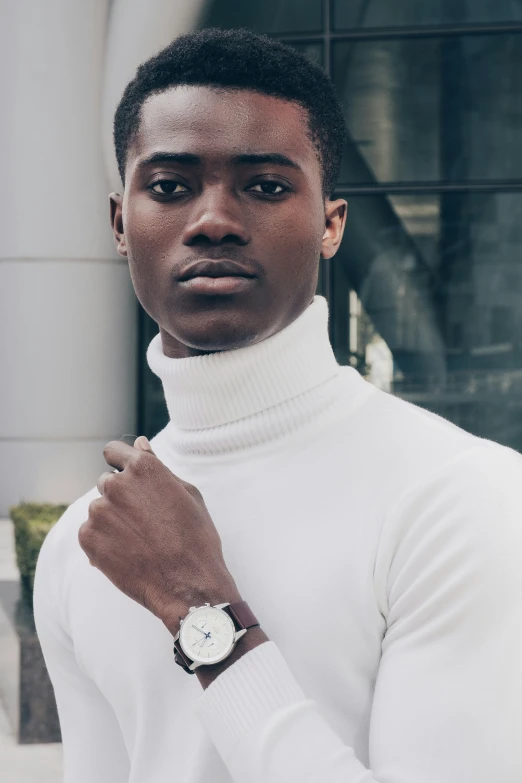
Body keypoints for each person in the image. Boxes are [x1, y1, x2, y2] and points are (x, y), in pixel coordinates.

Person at [33, 27, 522, 783]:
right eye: (169, 187)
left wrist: (205, 611)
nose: (213, 220)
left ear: (331, 223)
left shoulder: (463, 496)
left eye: (265, 185)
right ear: (120, 224)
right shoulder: (83, 546)